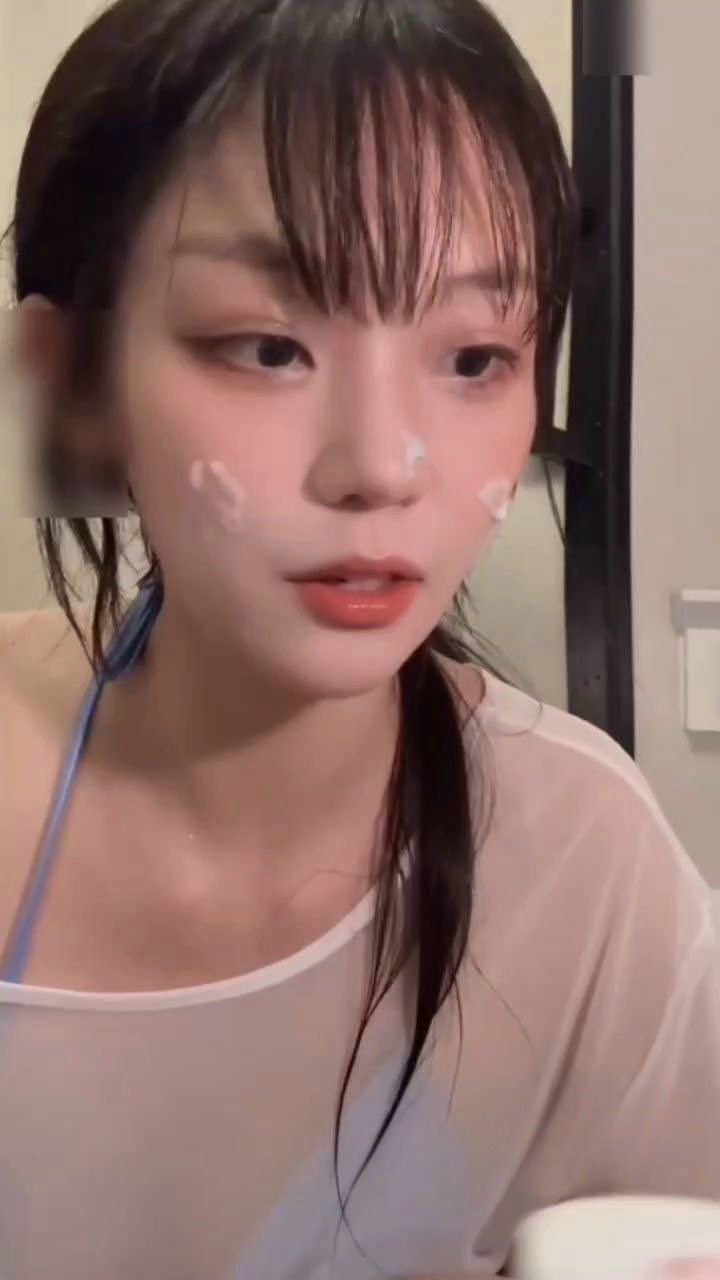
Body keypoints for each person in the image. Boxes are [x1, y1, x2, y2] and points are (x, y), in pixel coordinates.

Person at [0, 1, 718, 1278]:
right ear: (74, 384)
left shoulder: (587, 865)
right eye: (269, 346)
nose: (384, 465)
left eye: (477, 358)